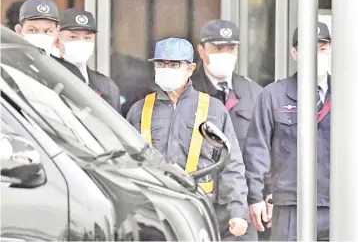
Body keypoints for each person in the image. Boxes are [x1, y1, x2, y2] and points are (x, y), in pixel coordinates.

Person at [126, 37, 249, 239]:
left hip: (199, 209)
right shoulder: (139, 110)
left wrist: (237, 211)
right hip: (152, 212)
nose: (167, 69)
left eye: (174, 64)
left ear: (190, 69)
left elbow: (231, 163)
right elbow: (126, 163)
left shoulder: (212, 109)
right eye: (161, 64)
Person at [243, 21, 332, 241]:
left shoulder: (349, 94)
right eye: (310, 50)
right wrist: (255, 196)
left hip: (337, 204)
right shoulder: (273, 95)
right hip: (290, 205)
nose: (317, 55)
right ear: (295, 53)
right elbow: (257, 149)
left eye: (322, 49)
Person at [191, 19, 263, 241]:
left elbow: (262, 150)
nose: (225, 54)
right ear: (201, 50)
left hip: (242, 205)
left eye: (231, 48)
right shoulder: (188, 92)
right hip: (199, 202)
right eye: (217, 48)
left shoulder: (254, 93)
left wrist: (260, 196)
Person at [52, 8, 121, 113]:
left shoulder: (107, 87)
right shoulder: (45, 76)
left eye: (87, 38)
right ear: (57, 41)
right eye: (73, 37)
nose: (81, 43)